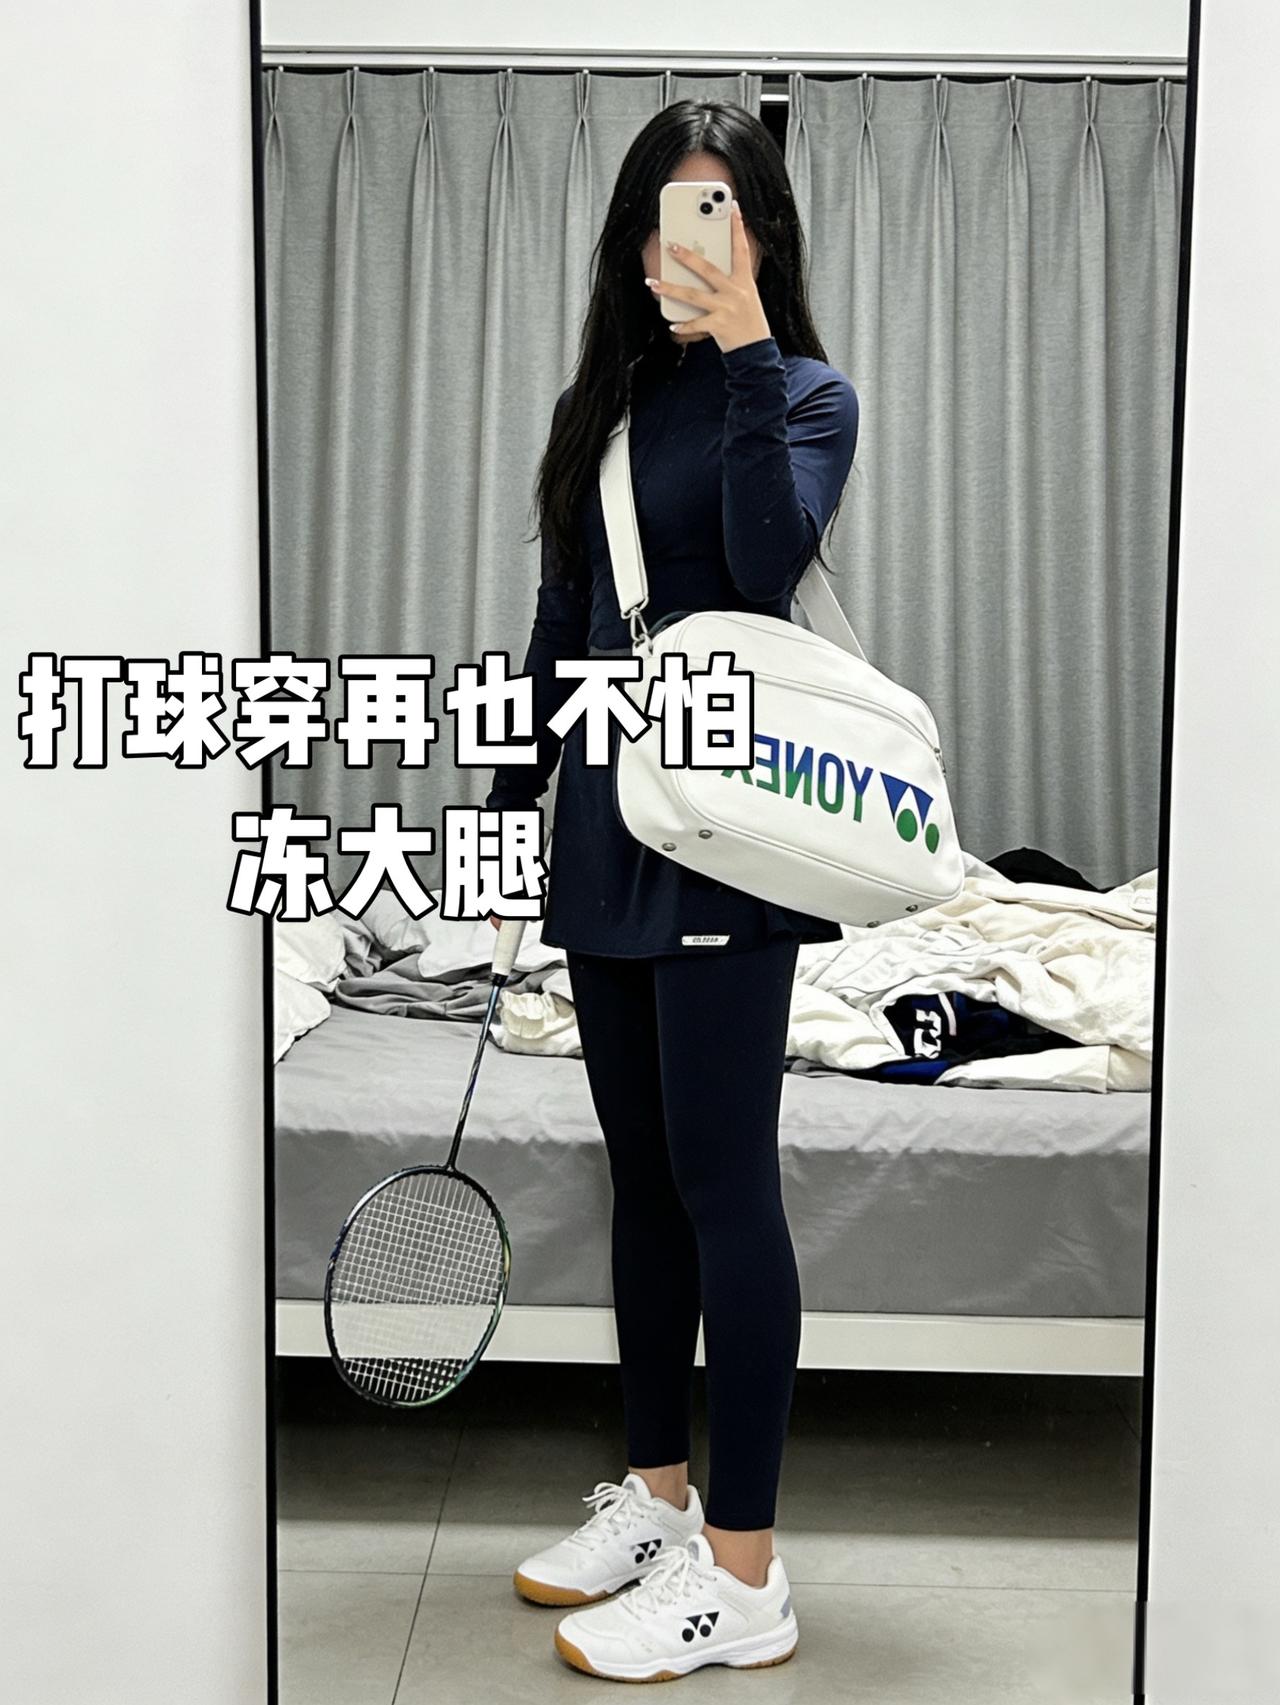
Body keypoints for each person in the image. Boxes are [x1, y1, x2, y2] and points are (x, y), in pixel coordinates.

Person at [484, 98, 859, 1683]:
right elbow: (565, 614)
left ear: (762, 234)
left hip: (722, 827)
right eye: (665, 216)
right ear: (630, 241)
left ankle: (747, 1578)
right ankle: (656, 1499)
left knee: (722, 1181)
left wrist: (751, 342)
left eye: (720, 213)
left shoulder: (809, 395)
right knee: (640, 1178)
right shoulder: (606, 408)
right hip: (605, 824)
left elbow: (766, 567)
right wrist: (507, 812)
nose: (687, 244)